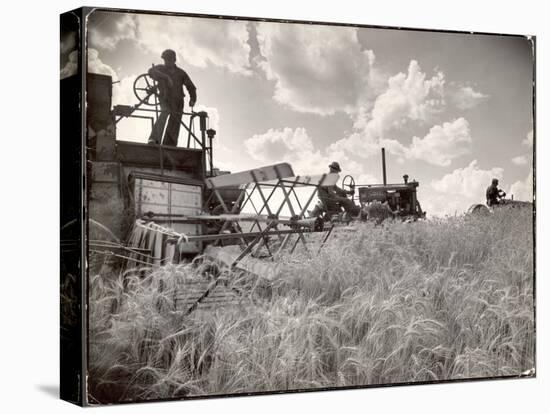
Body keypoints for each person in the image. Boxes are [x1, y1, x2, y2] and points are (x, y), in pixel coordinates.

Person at [147, 49, 197, 146]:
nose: (167, 62)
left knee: (175, 121)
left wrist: (193, 99)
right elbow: (150, 71)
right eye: (165, 60)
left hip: (178, 101)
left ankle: (169, 144)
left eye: (169, 60)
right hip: (164, 99)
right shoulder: (160, 68)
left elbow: (191, 87)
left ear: (174, 60)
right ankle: (154, 139)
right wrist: (165, 77)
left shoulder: (181, 73)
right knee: (164, 112)